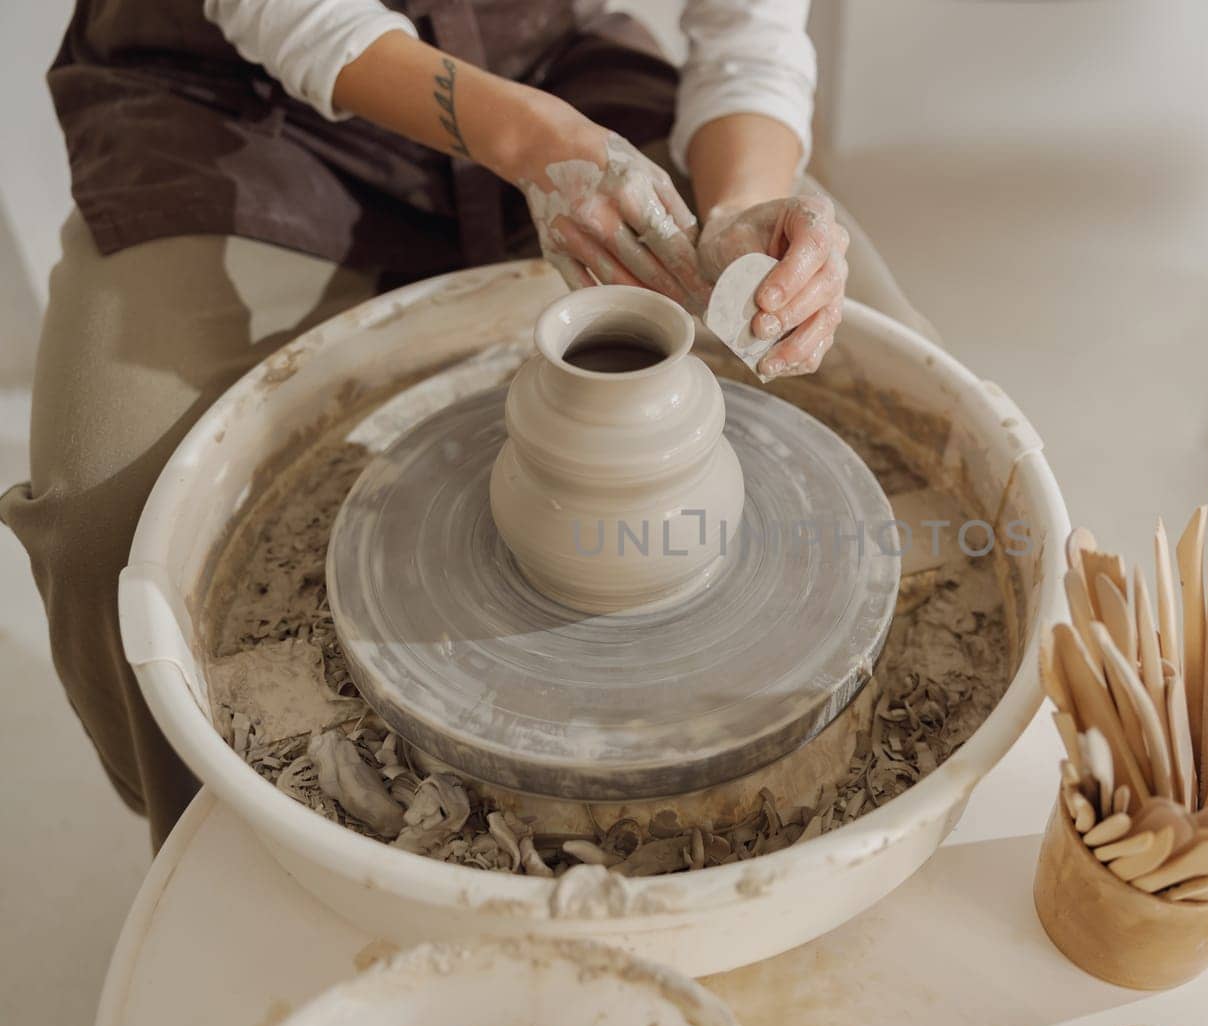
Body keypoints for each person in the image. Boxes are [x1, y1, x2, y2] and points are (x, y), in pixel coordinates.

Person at [2, 0, 928, 849]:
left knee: (905, 387)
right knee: (110, 533)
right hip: (231, 104)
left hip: (545, 64)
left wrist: (737, 211)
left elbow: (748, 36)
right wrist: (523, 137)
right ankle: (222, 846)